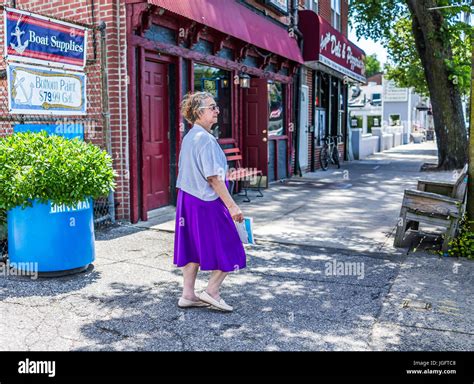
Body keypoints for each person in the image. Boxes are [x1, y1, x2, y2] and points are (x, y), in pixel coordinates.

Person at [174, 91, 246, 312]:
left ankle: (188, 294)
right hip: (206, 200)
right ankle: (212, 290)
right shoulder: (206, 140)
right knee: (232, 244)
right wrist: (232, 205)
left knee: (191, 246)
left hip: (187, 198)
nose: (217, 110)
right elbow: (213, 177)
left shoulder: (190, 136)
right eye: (212, 107)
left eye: (216, 106)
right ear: (198, 112)